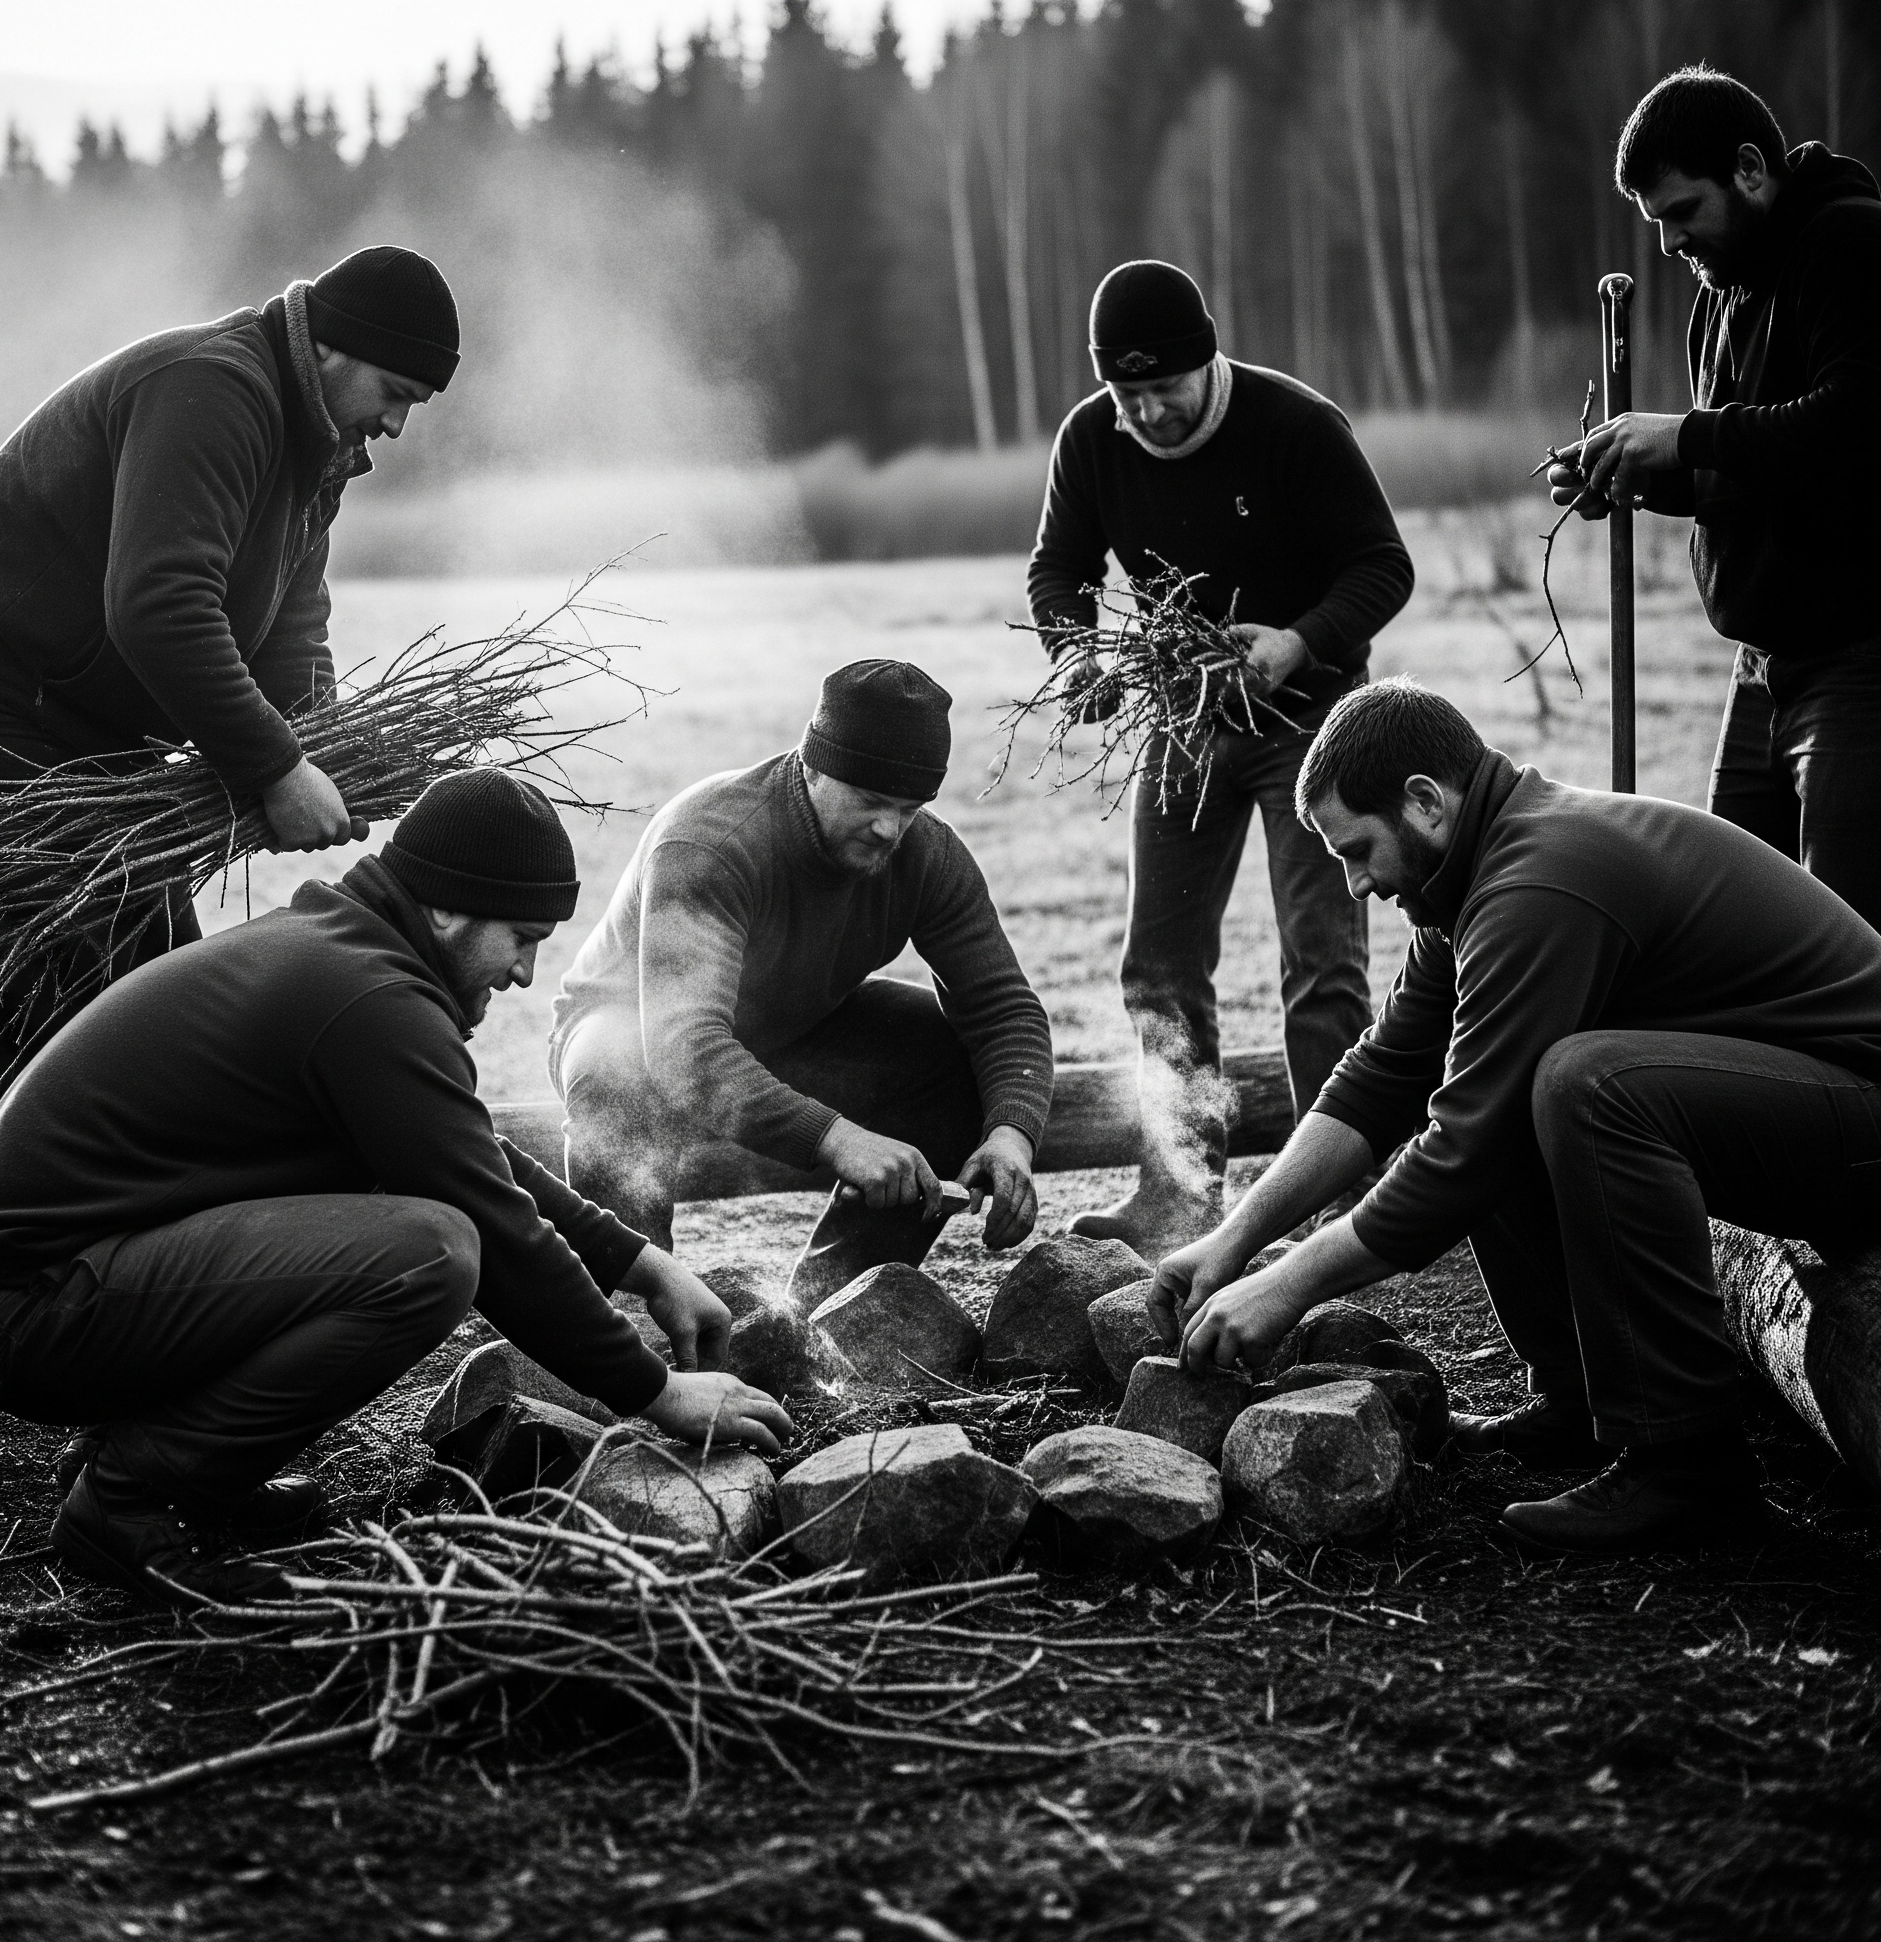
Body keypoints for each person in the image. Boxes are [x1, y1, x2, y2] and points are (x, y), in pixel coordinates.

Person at [0, 768, 791, 1605]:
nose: (528, 971)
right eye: (521, 937)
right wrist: (656, 1391)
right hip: (33, 1310)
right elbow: (490, 1223)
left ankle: (159, 1458)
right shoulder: (368, 998)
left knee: (431, 1229)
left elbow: (467, 1153)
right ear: (449, 907)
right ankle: (131, 1500)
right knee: (432, 1254)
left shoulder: (346, 956)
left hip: (63, 1285)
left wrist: (640, 1262)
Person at [1149, 679, 1881, 1554]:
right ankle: (1581, 1402)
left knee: (1587, 1083)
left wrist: (1286, 1284)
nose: (1353, 886)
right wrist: (1236, 1240)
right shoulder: (1467, 880)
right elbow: (1380, 1079)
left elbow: (1463, 1155)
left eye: (1357, 851)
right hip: (1809, 1116)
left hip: (1861, 1122)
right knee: (1515, 1080)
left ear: (1425, 801)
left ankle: (1690, 1469)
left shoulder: (1540, 881)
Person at [0, 244, 463, 1119]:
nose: (395, 426)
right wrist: (275, 770)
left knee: (157, 1002)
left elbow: (292, 627)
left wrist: (328, 750)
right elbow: (158, 607)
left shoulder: (317, 446)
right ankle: (26, 1231)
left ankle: (144, 1216)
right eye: (395, 394)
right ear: (337, 350)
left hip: (94, 739)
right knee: (51, 1026)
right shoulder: (217, 390)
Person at [1028, 259, 1414, 1258]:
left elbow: (1382, 565)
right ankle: (1177, 1189)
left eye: (1165, 388)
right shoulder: (1089, 438)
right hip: (1183, 717)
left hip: (1311, 721)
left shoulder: (1294, 425)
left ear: (1206, 361)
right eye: (1128, 391)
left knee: (1318, 963)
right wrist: (1079, 653)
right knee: (1156, 962)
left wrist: (1298, 638)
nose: (1148, 411)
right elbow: (1058, 566)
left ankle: (1342, 1199)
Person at [551, 659, 1055, 1315]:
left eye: (908, 808)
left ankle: (824, 1315)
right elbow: (685, 1052)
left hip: (790, 1031)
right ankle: (631, 1325)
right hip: (642, 1036)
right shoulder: (711, 842)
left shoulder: (925, 855)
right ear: (812, 765)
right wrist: (840, 1139)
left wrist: (1012, 1135)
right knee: (612, 1068)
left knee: (948, 1054)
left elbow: (1005, 1010)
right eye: (871, 801)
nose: (889, 828)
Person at [1549, 67, 1881, 929]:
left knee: (1847, 948)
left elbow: (1852, 426)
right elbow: (1735, 470)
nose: (1668, 245)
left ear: (1748, 168)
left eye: (1682, 214)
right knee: (1737, 935)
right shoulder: (1719, 296)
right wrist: (1634, 476)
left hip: (1858, 668)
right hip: (1759, 671)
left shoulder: (1851, 246)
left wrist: (1682, 434)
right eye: (1656, 224)